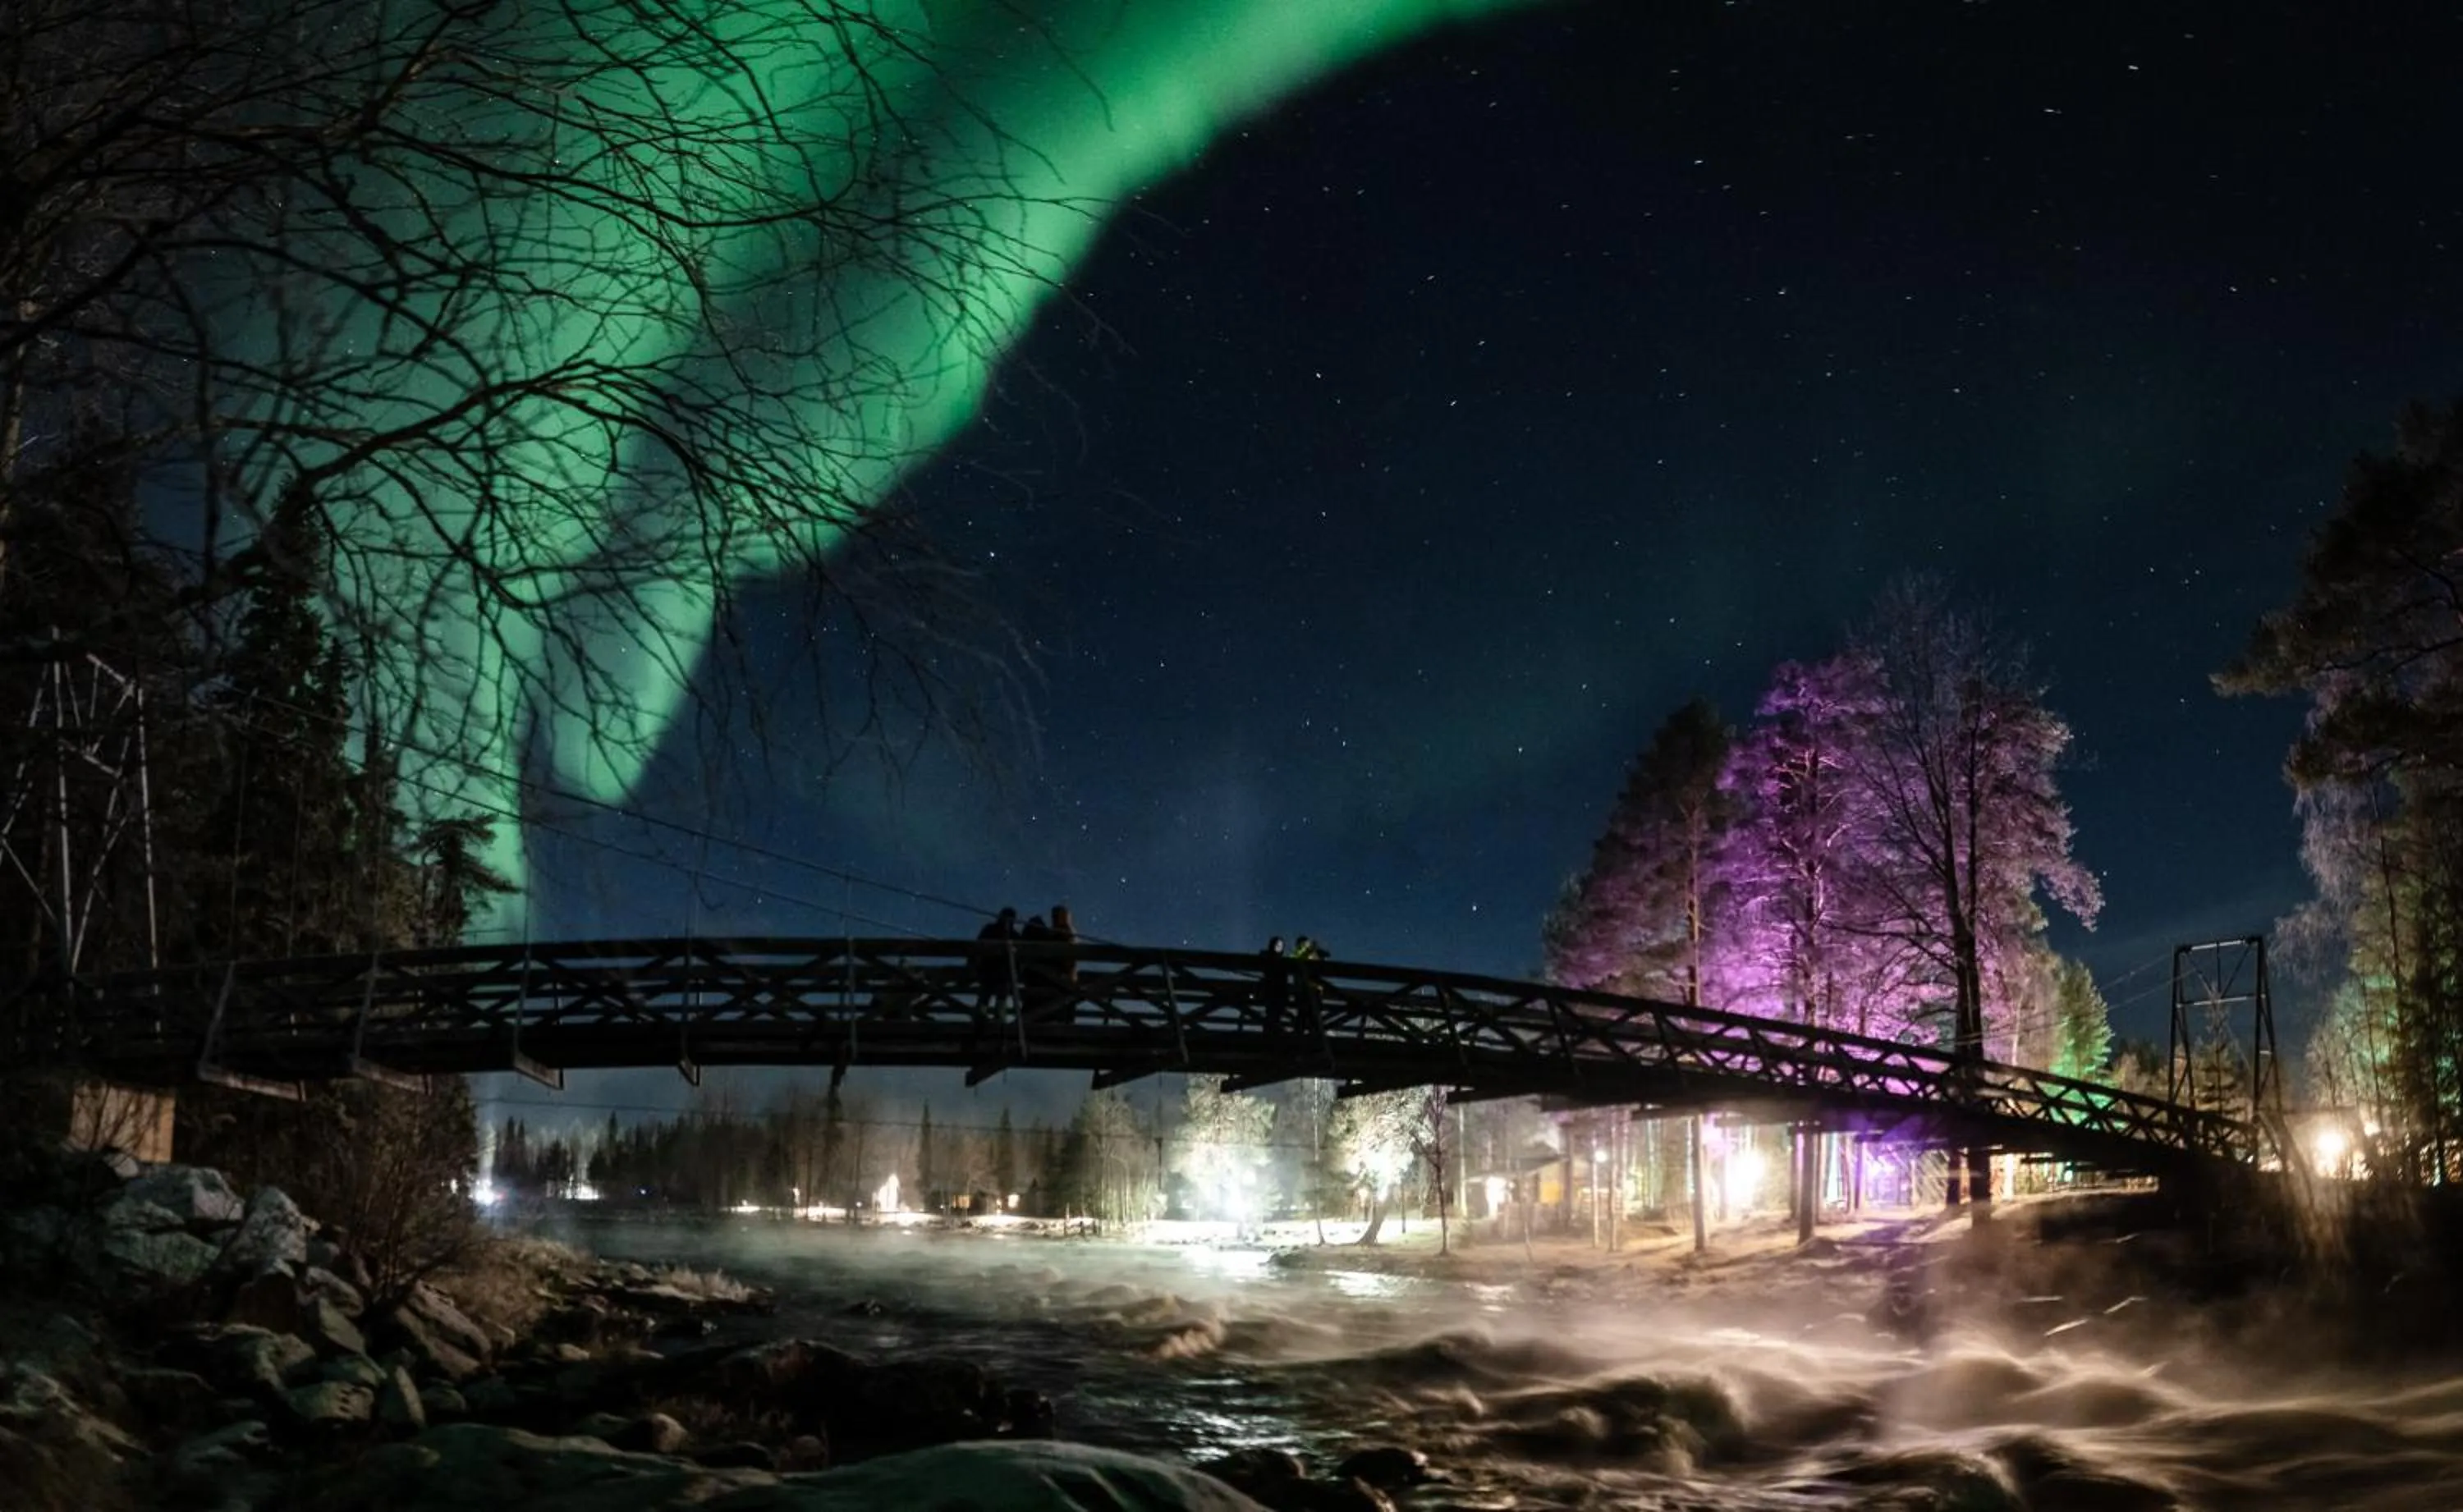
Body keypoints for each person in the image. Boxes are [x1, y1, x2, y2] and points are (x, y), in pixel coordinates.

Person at [974, 907, 1020, 1011]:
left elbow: (977, 946)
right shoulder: (1012, 935)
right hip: (994, 971)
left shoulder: (991, 930)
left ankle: (989, 1020)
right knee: (991, 998)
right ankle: (995, 1021)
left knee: (989, 998)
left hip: (993, 972)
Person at [1260, 935, 1290, 1033]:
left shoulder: (1283, 961)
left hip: (1280, 990)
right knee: (1272, 1012)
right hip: (1271, 989)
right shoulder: (1267, 957)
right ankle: (1270, 1032)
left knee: (1276, 1013)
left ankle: (1273, 1031)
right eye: (1277, 944)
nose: (1279, 947)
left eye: (1281, 945)